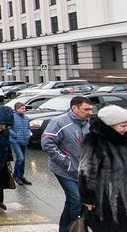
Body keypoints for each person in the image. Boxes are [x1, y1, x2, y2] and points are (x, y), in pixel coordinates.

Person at [79, 105, 127, 232]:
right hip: (107, 201)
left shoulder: (125, 138)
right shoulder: (94, 140)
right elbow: (86, 171)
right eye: (123, 126)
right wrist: (88, 198)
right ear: (110, 124)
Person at [41, 96, 92, 232]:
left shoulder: (87, 124)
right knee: (76, 201)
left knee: (72, 202)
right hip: (64, 170)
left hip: (80, 171)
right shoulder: (59, 122)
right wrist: (66, 162)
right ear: (74, 108)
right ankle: (74, 229)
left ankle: (64, 229)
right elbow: (47, 144)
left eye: (91, 109)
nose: (90, 112)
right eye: (86, 109)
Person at [9, 102, 31, 185]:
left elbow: (28, 128)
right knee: (20, 158)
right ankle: (16, 176)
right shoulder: (12, 117)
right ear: (17, 109)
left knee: (24, 159)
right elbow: (8, 128)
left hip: (24, 141)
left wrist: (29, 133)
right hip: (15, 141)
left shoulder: (26, 118)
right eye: (22, 108)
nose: (24, 110)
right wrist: (15, 135)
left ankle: (21, 176)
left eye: (24, 108)